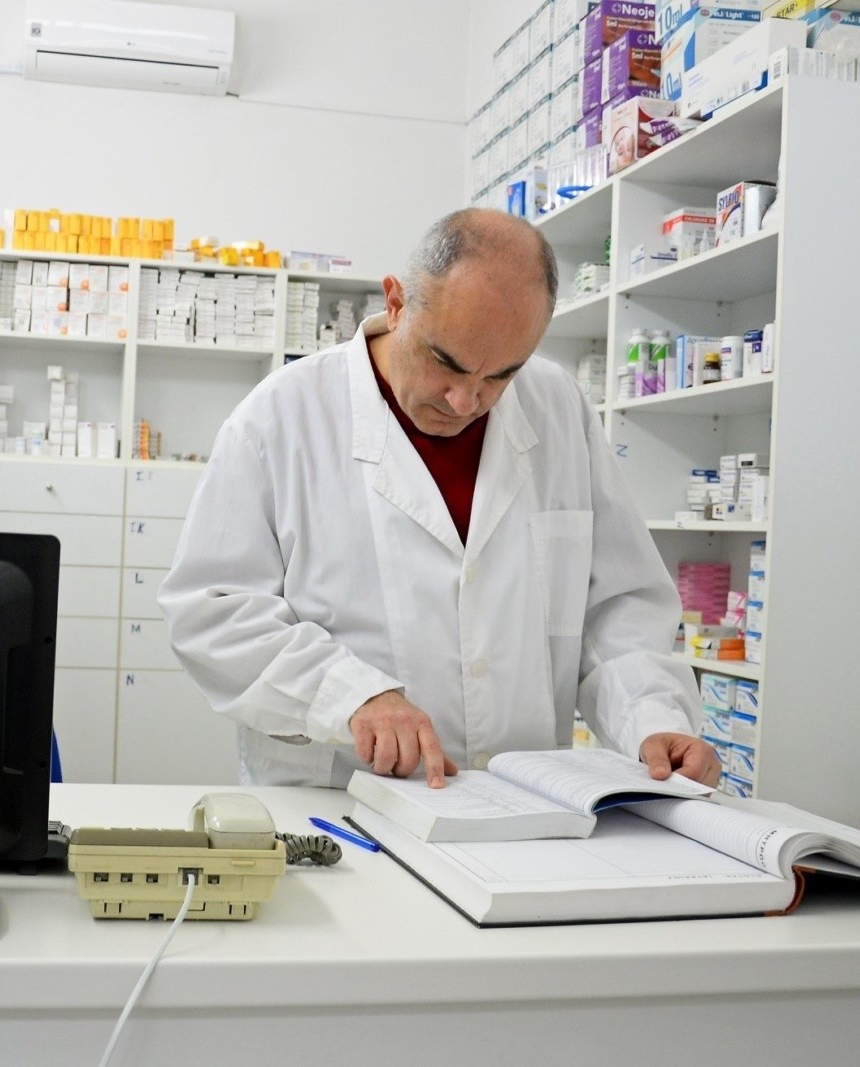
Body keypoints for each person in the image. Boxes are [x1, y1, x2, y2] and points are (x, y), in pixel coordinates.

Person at [158, 208, 720, 790]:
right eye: (446, 363)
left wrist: (651, 719)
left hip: (523, 801)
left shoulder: (558, 406)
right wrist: (348, 694)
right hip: (339, 800)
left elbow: (617, 606)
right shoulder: (280, 417)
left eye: (500, 376)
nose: (464, 401)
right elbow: (214, 611)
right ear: (397, 303)